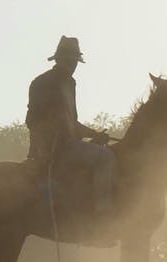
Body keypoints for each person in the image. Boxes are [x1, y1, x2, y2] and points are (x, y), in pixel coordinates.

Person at [25, 36, 115, 214]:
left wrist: (94, 134)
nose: (73, 66)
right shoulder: (42, 83)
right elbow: (32, 120)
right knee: (106, 157)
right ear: (59, 60)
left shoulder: (70, 83)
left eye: (74, 62)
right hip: (53, 149)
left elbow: (71, 122)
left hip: (68, 143)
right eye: (69, 61)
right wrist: (48, 141)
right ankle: (103, 214)